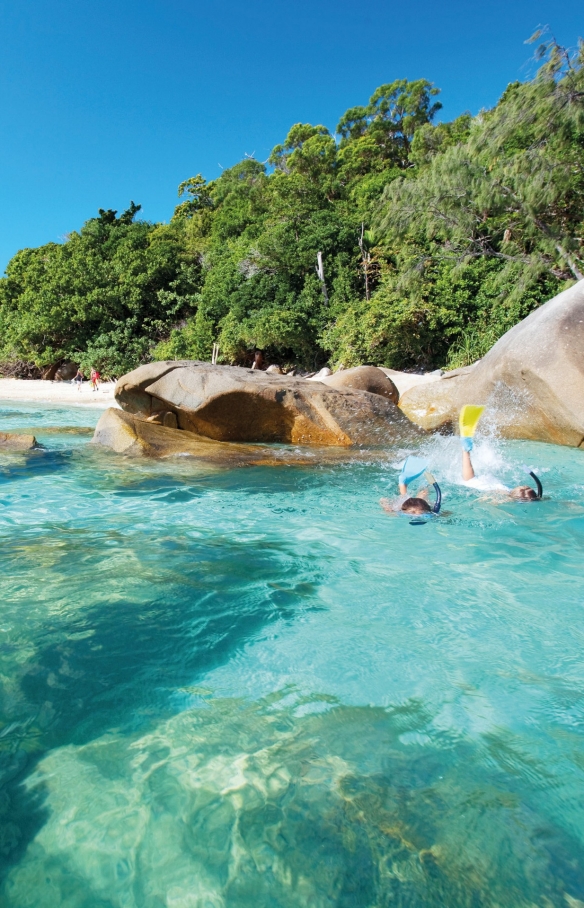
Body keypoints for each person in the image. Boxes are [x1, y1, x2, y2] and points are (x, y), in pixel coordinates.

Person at [460, 437, 542, 500]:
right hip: (480, 486)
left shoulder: (507, 495)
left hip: (491, 483)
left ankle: (466, 450)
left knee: (469, 472)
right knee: (469, 480)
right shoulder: (504, 499)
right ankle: (465, 450)